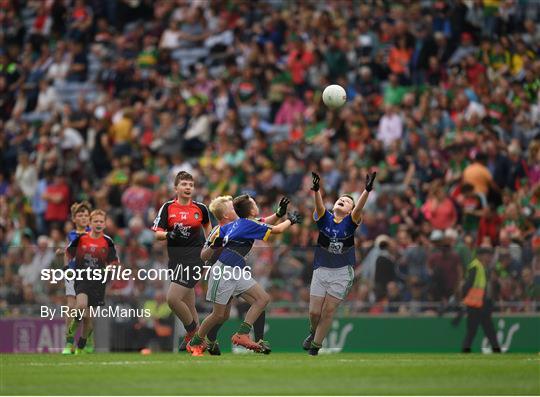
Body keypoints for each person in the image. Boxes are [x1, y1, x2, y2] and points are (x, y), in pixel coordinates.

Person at [187, 194, 301, 356]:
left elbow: (263, 223)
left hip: (236, 270)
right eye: (254, 203)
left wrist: (278, 214)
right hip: (224, 271)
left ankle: (242, 334)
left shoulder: (239, 224)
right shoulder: (240, 225)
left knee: (263, 299)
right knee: (219, 315)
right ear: (252, 210)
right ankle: (196, 342)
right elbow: (276, 229)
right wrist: (291, 220)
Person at [303, 171, 376, 356]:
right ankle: (312, 332)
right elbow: (319, 206)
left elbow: (359, 209)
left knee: (328, 311)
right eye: (340, 199)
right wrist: (317, 190)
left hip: (342, 272)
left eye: (347, 201)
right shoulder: (324, 217)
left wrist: (366, 191)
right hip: (321, 269)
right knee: (313, 313)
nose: (342, 200)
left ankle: (315, 348)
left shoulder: (352, 221)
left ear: (351, 209)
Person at [152, 171, 211, 351]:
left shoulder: (200, 208)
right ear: (176, 188)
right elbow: (157, 234)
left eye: (191, 185)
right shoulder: (167, 207)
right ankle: (202, 344)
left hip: (195, 259)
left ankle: (193, 332)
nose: (188, 188)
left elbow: (208, 227)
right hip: (175, 261)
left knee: (172, 299)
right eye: (184, 184)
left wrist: (210, 248)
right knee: (188, 304)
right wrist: (169, 234)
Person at [66, 209, 119, 354]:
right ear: (90, 223)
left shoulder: (107, 241)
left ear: (105, 224)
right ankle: (70, 336)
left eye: (101, 221)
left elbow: (114, 261)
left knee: (89, 318)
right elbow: (68, 252)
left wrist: (110, 268)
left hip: (98, 282)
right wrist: (68, 267)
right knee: (81, 305)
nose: (99, 224)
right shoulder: (82, 238)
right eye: (96, 221)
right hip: (82, 278)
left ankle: (82, 344)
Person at [62, 201, 92, 354]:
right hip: (74, 272)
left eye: (86, 215)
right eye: (79, 215)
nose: (83, 218)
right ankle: (69, 342)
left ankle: (86, 339)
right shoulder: (73, 234)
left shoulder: (95, 232)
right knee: (71, 306)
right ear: (74, 219)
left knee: (87, 310)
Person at [461, 246, 501, 353]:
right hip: (475, 305)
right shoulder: (476, 266)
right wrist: (465, 298)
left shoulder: (483, 268)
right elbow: (468, 284)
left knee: (484, 330)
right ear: (480, 256)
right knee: (479, 330)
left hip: (482, 305)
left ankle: (496, 350)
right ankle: (496, 350)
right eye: (487, 255)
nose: (489, 258)